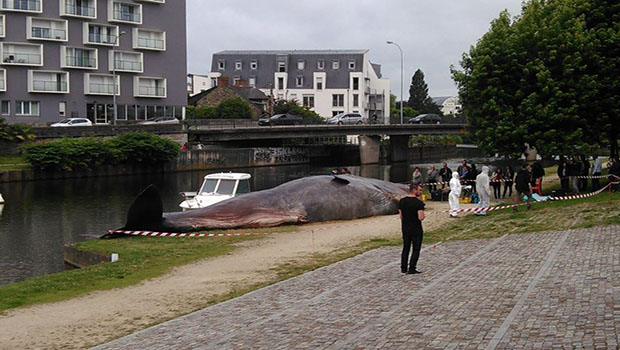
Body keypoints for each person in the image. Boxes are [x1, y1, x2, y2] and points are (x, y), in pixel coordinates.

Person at [398, 183, 425, 274]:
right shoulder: (418, 203)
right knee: (416, 249)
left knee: (406, 247)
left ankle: (403, 267)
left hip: (405, 227)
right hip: (416, 228)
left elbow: (401, 216)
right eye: (420, 190)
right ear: (414, 190)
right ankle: (412, 267)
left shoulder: (402, 201)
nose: (421, 192)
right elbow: (420, 217)